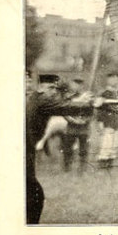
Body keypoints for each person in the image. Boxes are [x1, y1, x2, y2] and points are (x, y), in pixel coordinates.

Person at [26, 74, 95, 223]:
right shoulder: (42, 100)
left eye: (55, 89)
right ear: (40, 88)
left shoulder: (36, 98)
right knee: (34, 192)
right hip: (24, 150)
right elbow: (64, 107)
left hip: (27, 149)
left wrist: (81, 101)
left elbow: (61, 104)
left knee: (32, 191)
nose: (53, 92)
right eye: (50, 88)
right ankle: (29, 230)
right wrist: (90, 104)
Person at [60, 78, 91, 173]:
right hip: (71, 128)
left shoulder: (88, 98)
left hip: (83, 128)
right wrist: (73, 120)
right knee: (68, 149)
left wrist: (85, 120)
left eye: (79, 84)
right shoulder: (68, 98)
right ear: (72, 85)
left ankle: (82, 168)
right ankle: (67, 167)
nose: (77, 86)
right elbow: (64, 112)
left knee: (84, 149)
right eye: (75, 84)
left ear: (82, 86)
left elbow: (91, 113)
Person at [97, 72, 118, 169]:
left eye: (116, 78)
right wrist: (100, 121)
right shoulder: (104, 93)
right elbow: (100, 109)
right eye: (112, 78)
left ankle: (110, 163)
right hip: (108, 122)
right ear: (108, 80)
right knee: (107, 142)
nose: (114, 81)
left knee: (115, 143)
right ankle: (103, 162)